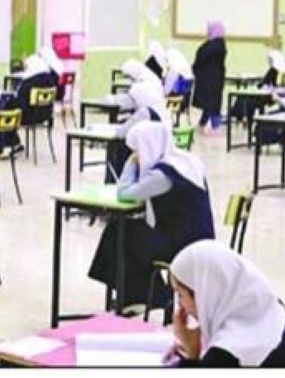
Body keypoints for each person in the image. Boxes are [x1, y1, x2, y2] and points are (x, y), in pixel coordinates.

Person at [88, 121, 215, 307]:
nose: (135, 155)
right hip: (196, 238)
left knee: (120, 234)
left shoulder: (163, 175)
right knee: (125, 232)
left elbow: (124, 193)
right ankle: (139, 295)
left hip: (182, 244)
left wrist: (131, 163)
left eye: (137, 150)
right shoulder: (184, 162)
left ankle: (151, 297)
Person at [169, 240, 285, 367]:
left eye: (180, 295)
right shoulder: (277, 312)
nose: (181, 305)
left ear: (203, 293)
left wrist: (192, 356)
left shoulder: (226, 354)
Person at [107, 81, 169, 179]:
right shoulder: (161, 109)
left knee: (115, 144)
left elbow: (121, 133)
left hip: (143, 154)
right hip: (159, 150)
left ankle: (112, 179)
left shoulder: (144, 112)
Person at [230, 50, 285, 123]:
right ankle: (243, 117)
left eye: (270, 60)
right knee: (246, 99)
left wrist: (261, 86)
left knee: (243, 97)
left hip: (269, 96)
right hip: (274, 95)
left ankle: (242, 117)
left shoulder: (274, 70)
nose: (269, 62)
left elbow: (265, 83)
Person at [192, 21, 228, 132]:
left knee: (210, 103)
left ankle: (211, 125)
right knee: (213, 103)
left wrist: (195, 67)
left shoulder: (214, 45)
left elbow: (201, 57)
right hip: (214, 79)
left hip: (210, 80)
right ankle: (212, 125)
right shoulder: (219, 44)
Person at [14, 55, 59, 127]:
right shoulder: (51, 79)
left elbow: (20, 101)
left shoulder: (28, 82)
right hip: (46, 115)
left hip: (29, 117)